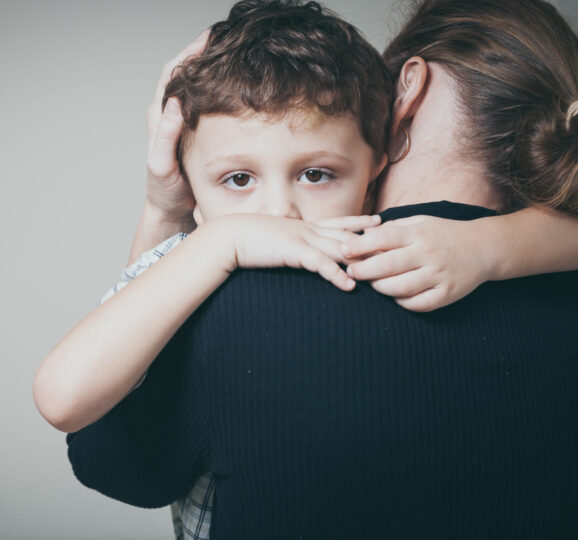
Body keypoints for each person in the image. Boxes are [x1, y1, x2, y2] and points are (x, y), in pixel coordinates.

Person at [61, 0, 578, 538]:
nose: (279, 214)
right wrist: (499, 243)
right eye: (240, 178)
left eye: (314, 172)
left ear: (403, 95)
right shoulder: (552, 278)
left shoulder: (241, 293)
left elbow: (117, 462)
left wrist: (165, 213)